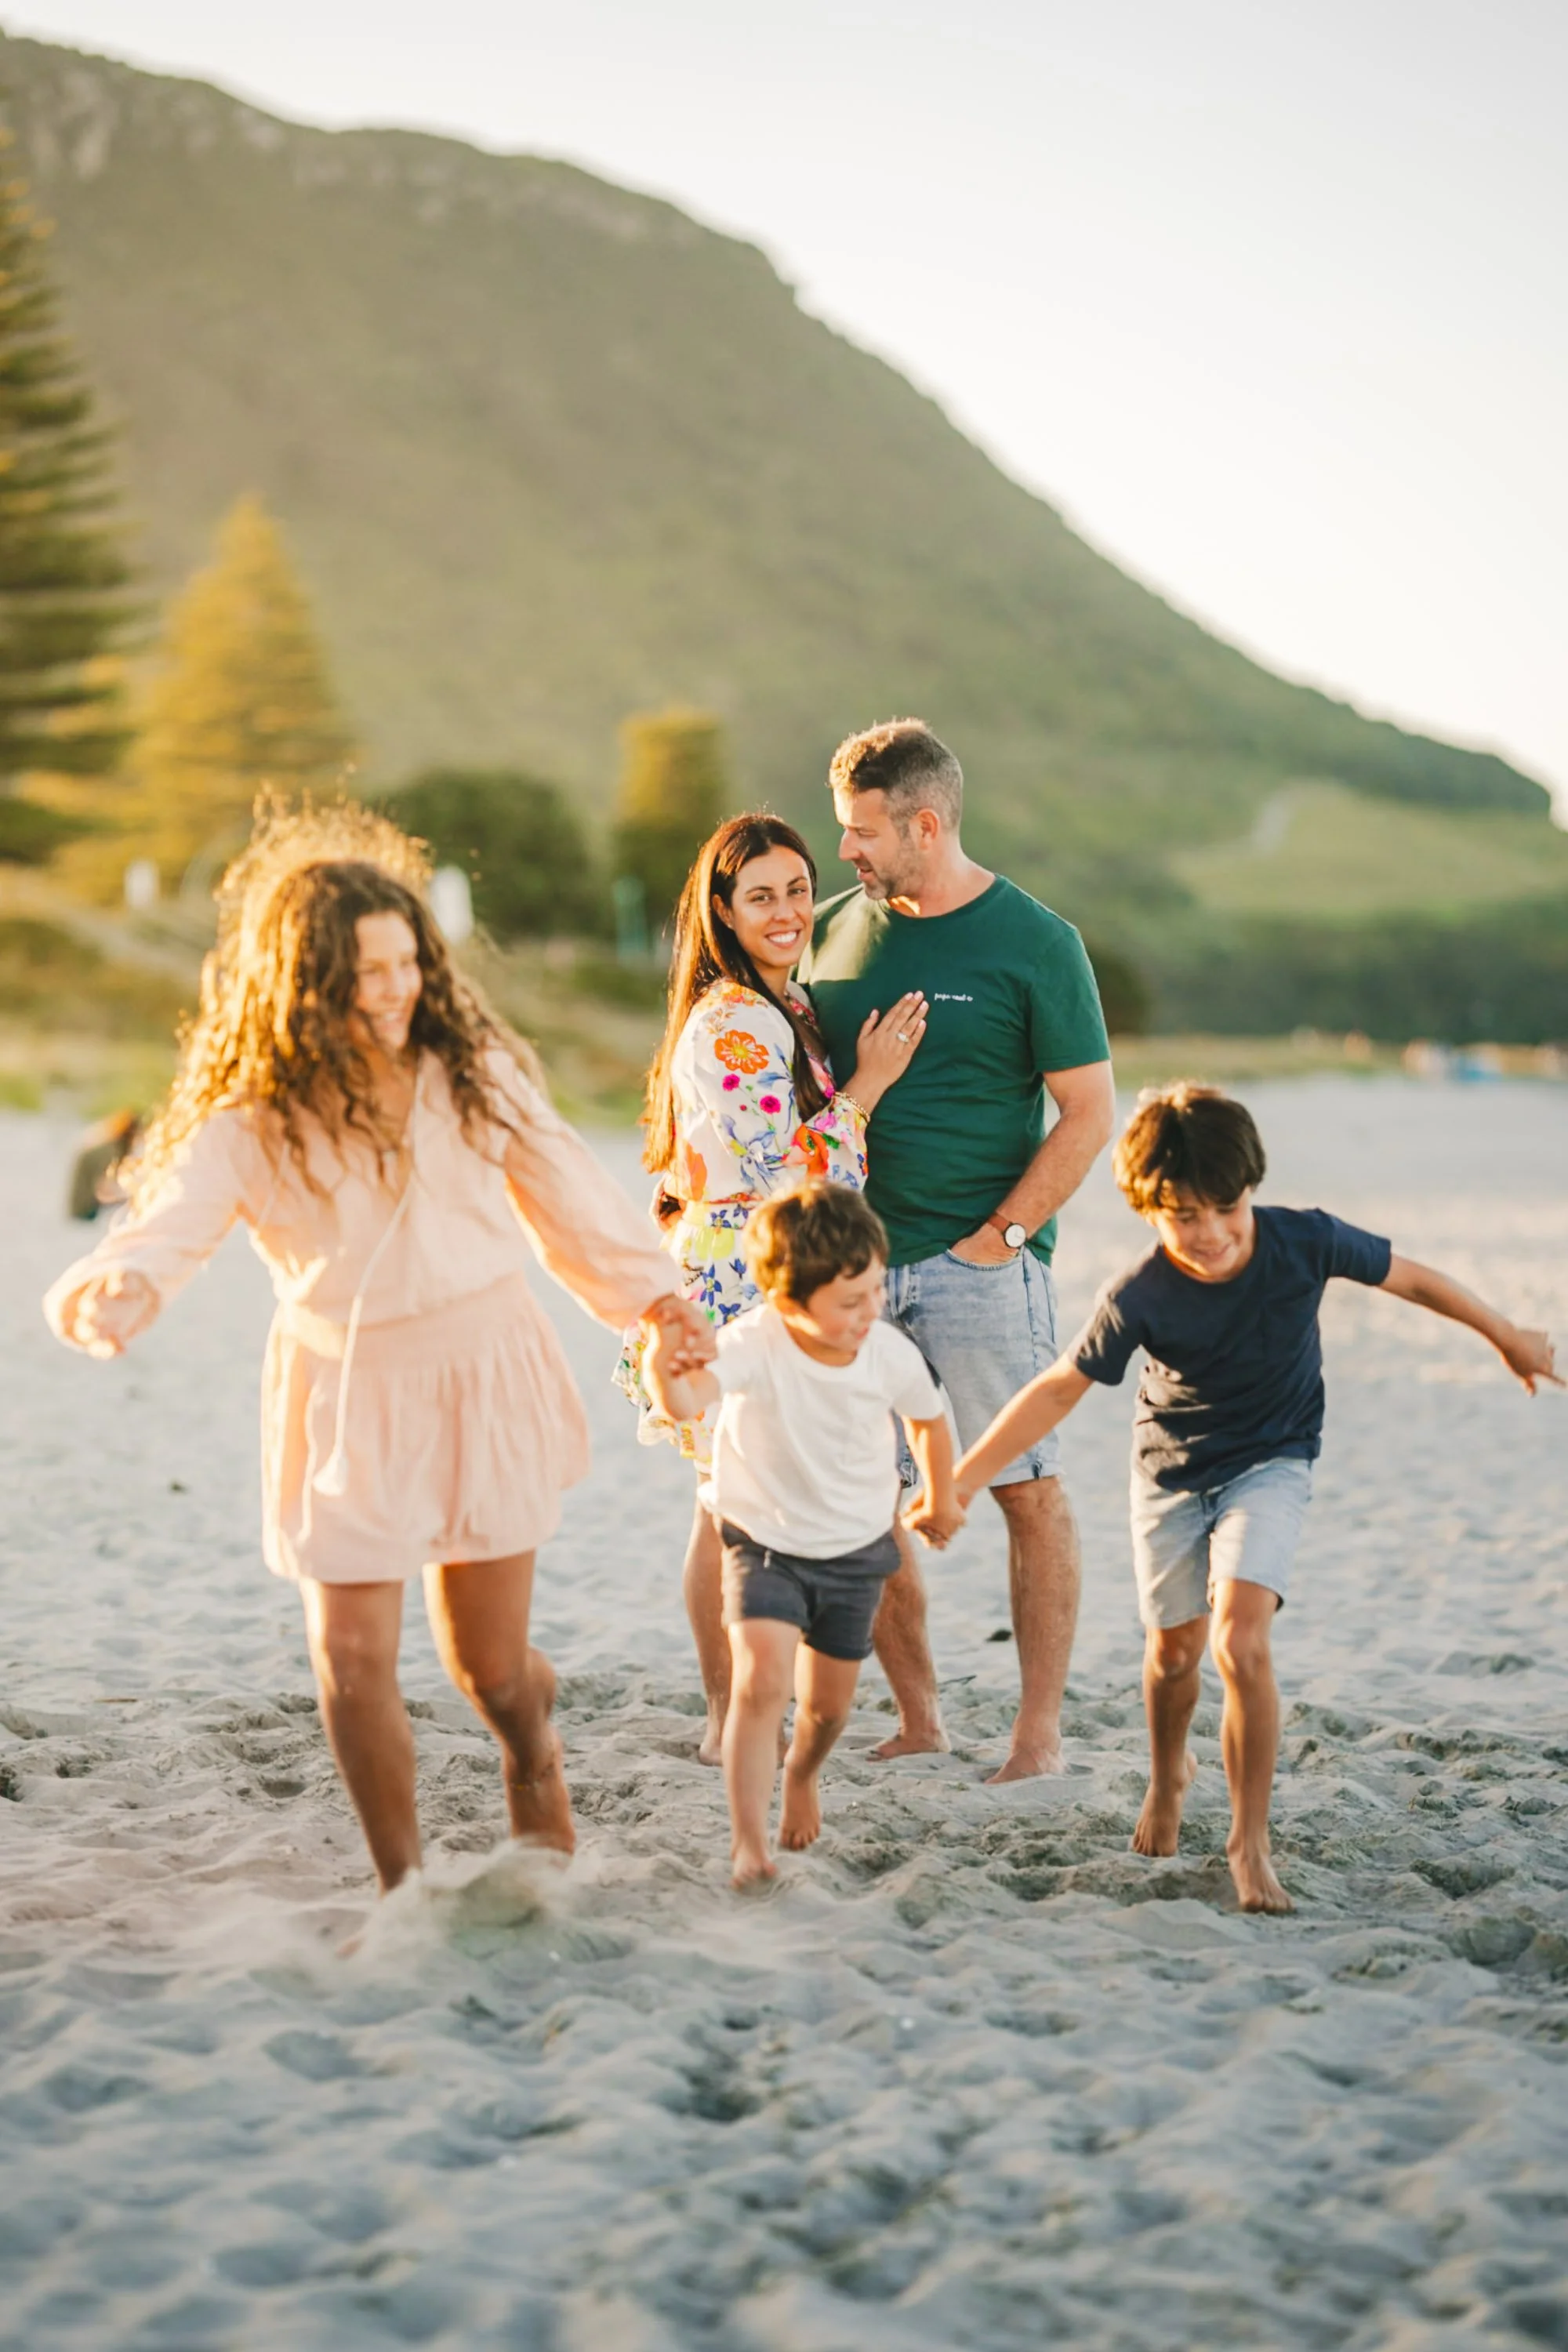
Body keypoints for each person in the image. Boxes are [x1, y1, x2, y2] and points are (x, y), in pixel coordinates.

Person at [43, 800, 713, 1899]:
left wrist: (657, 1302)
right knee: (352, 1661)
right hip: (341, 1391)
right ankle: (402, 1886)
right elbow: (170, 1223)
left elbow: (572, 1202)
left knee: (488, 1670)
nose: (395, 988)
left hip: (480, 1368)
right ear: (302, 983)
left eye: (407, 963)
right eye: (366, 971)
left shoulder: (475, 1073)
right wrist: (121, 1285)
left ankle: (531, 1749)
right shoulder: (253, 1116)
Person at [914, 1083, 1559, 1914]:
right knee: (1172, 1657)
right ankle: (1166, 1779)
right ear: (1148, 1210)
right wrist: (961, 1481)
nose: (1210, 1233)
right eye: (1183, 1216)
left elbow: (1413, 1281)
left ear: (1249, 1188)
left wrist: (1503, 1333)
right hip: (1170, 1479)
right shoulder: (1140, 1293)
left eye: (1225, 1208)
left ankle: (1248, 1842)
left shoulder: (1302, 1241)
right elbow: (1053, 1391)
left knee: (1240, 1638)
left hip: (1272, 1462)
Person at [799, 717, 1116, 1782]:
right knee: (860, 1501)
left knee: (1026, 1490)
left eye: (862, 832)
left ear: (924, 826)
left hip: (982, 1271)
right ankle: (922, 1717)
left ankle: (1036, 1735)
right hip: (851, 1277)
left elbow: (1087, 1113)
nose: (844, 852)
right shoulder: (833, 933)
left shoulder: (1037, 942)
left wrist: (1003, 1238)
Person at [622, 811, 935, 1764]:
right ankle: (729, 1718)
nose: (787, 910)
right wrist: (871, 1085)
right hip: (741, 1281)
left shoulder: (780, 1005)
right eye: (759, 895)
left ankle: (862, 1716)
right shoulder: (732, 1023)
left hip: (759, 1267)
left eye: (798, 889)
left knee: (750, 1500)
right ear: (722, 909)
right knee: (726, 1506)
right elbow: (786, 1172)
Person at [643, 1181, 964, 1885]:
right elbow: (690, 1397)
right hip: (763, 1541)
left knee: (825, 1711)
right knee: (761, 1683)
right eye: (850, 1301)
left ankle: (802, 1775)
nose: (869, 1312)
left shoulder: (886, 1350)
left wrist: (939, 1497)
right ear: (789, 1299)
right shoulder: (753, 1341)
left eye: (875, 1291)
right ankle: (748, 1844)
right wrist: (661, 1365)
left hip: (854, 1550)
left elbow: (928, 1421)